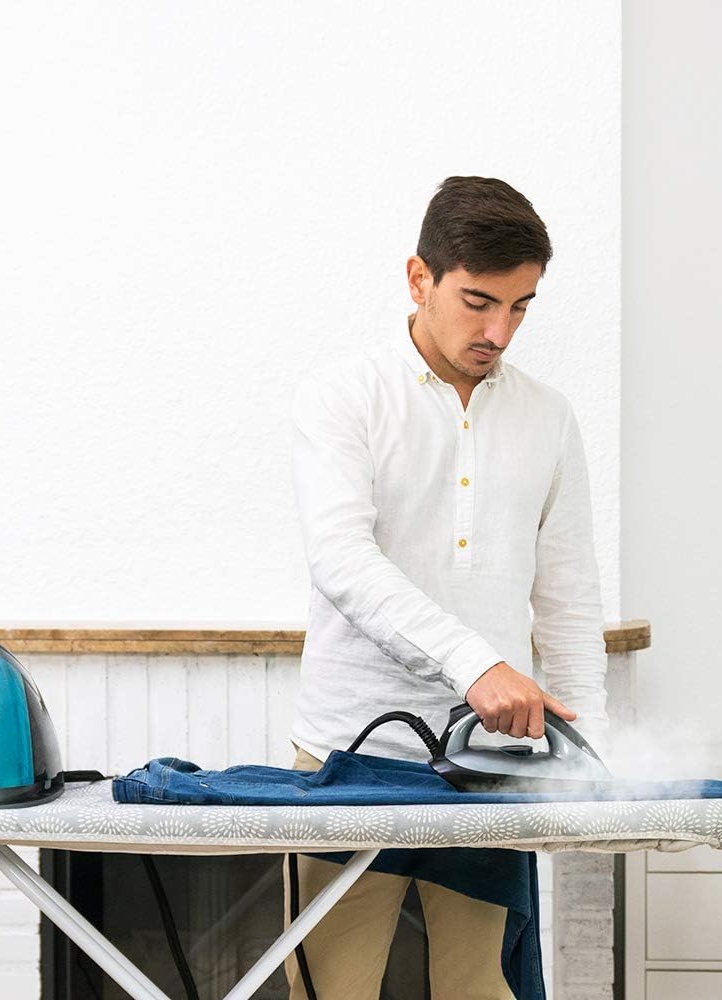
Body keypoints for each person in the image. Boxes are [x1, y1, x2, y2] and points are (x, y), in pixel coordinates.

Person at [282, 175, 610, 999]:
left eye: (521, 307)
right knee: (332, 991)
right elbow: (342, 561)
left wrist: (594, 759)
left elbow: (567, 601)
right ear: (418, 278)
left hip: (492, 767)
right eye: (478, 302)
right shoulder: (342, 399)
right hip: (351, 758)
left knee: (482, 990)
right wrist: (477, 665)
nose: (499, 331)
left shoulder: (548, 417)